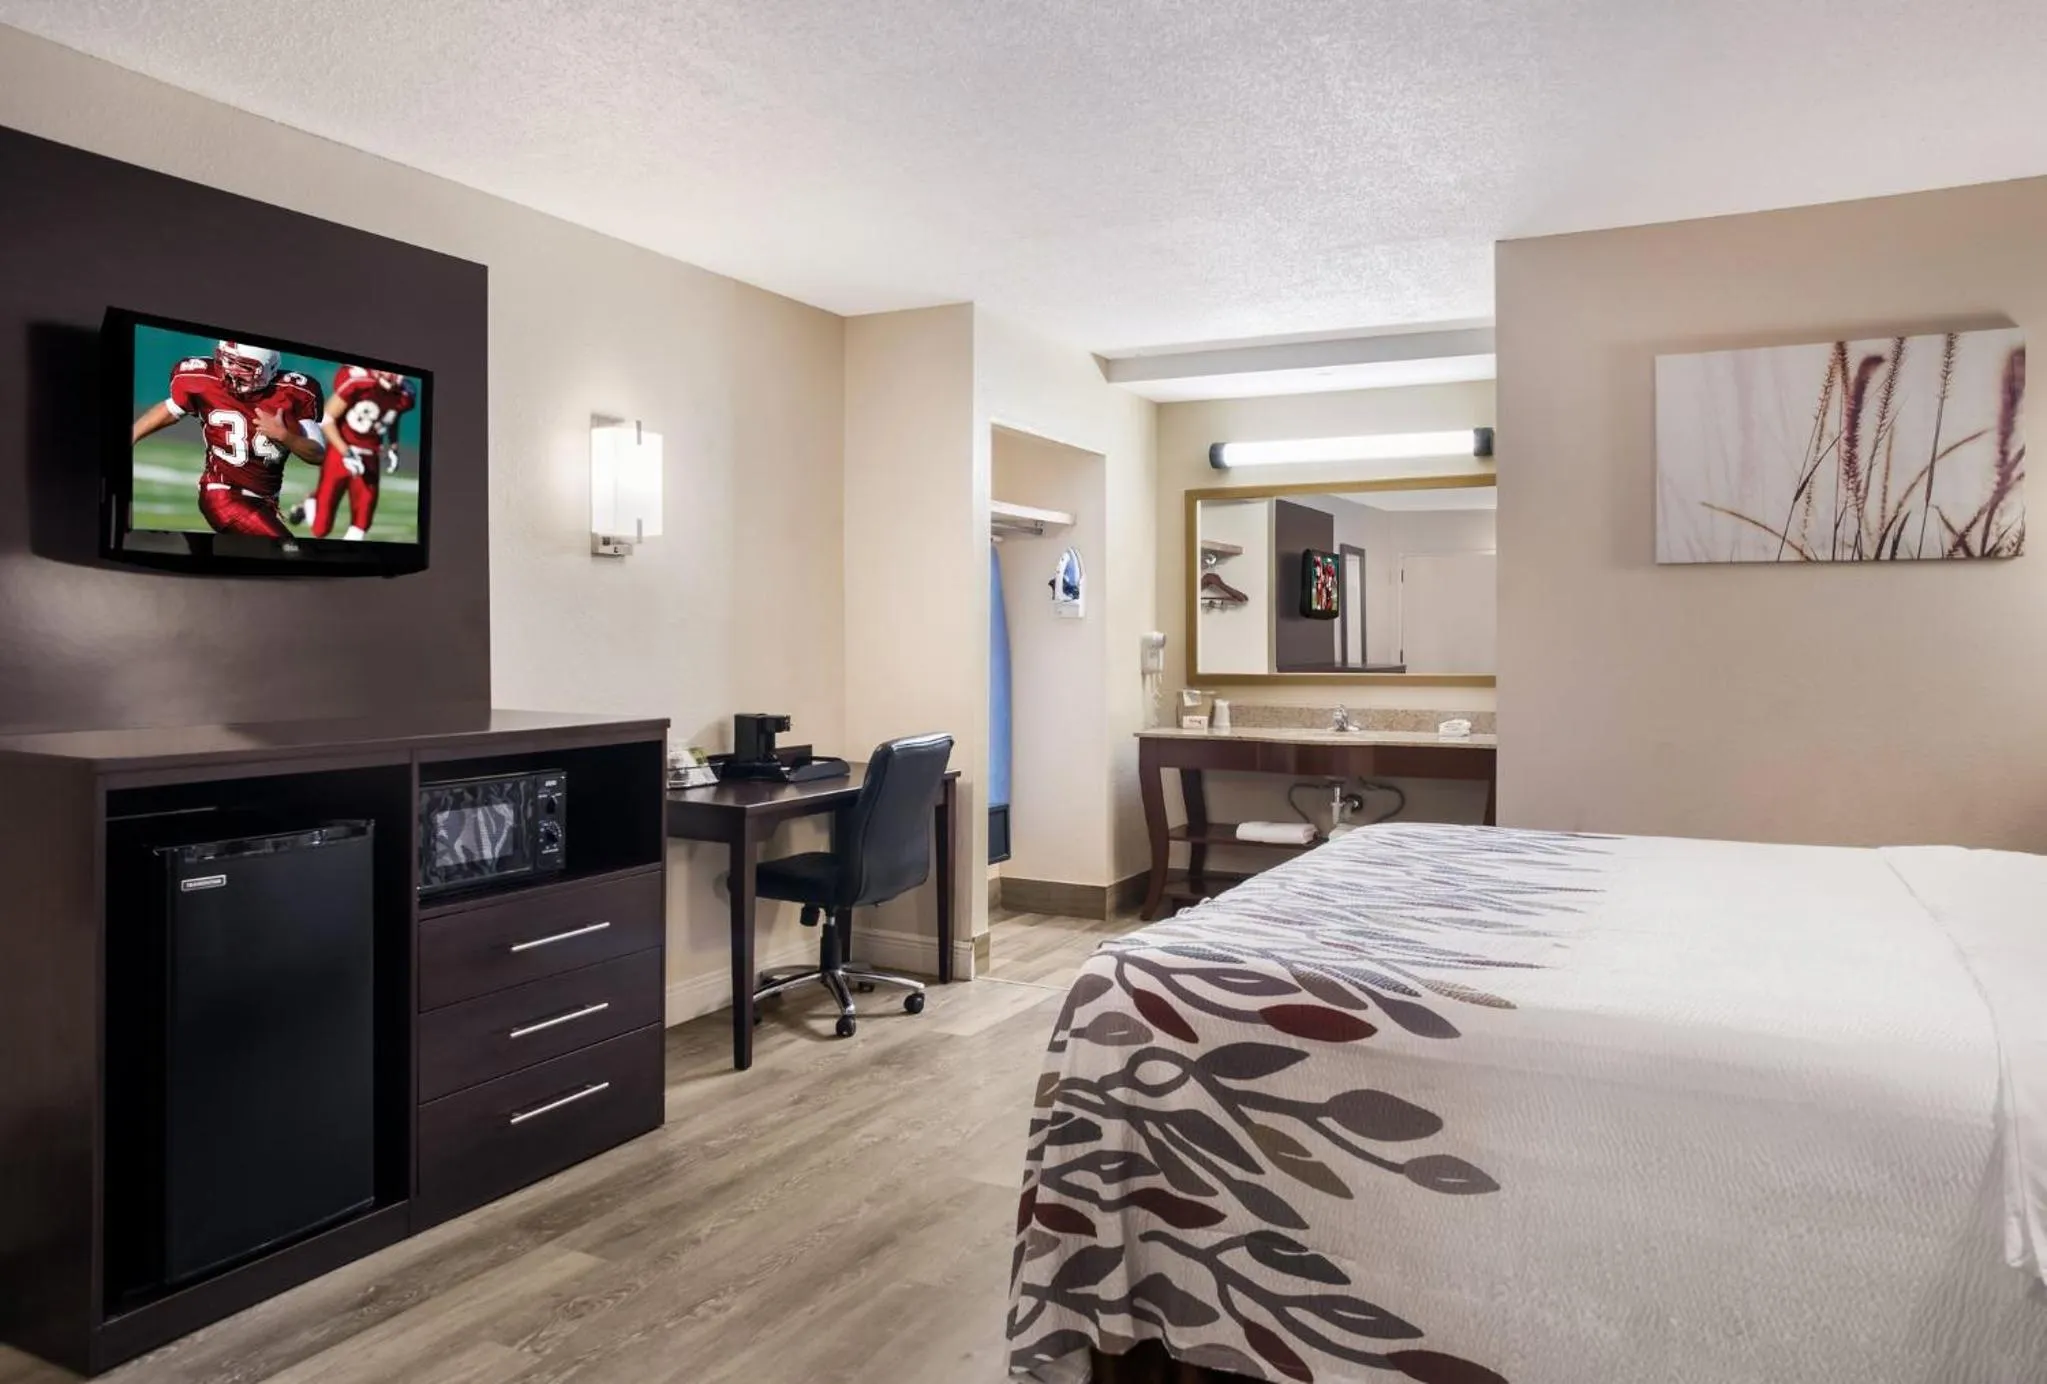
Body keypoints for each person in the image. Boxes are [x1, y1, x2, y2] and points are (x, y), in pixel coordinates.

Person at [130, 342, 326, 538]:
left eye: (245, 366)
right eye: (228, 361)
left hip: (264, 501)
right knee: (287, 549)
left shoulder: (295, 393)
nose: (232, 371)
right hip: (222, 495)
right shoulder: (203, 379)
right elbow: (171, 410)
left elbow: (318, 454)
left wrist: (285, 436)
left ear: (269, 369)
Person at [286, 365, 416, 540]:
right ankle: (312, 503)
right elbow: (328, 419)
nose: (394, 377)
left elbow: (392, 416)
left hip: (370, 454)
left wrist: (393, 446)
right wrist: (346, 452)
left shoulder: (405, 394)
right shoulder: (358, 382)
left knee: (363, 520)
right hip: (341, 450)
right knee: (321, 529)